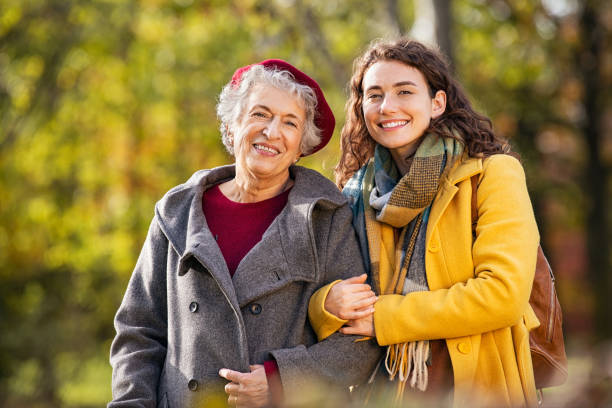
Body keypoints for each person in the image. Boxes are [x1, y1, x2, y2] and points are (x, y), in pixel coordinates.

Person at [108, 59, 381, 408]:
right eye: (260, 115)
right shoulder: (177, 212)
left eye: (289, 123)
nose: (272, 132)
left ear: (301, 146)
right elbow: (138, 332)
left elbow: (359, 343)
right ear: (232, 125)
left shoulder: (326, 216)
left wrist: (280, 380)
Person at [308, 38, 541, 407]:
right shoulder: (353, 194)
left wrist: (386, 316)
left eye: (404, 91)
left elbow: (503, 295)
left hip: (474, 385)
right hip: (382, 388)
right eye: (374, 95)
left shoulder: (492, 174)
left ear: (437, 103)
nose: (388, 107)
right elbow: (322, 291)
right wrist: (326, 303)